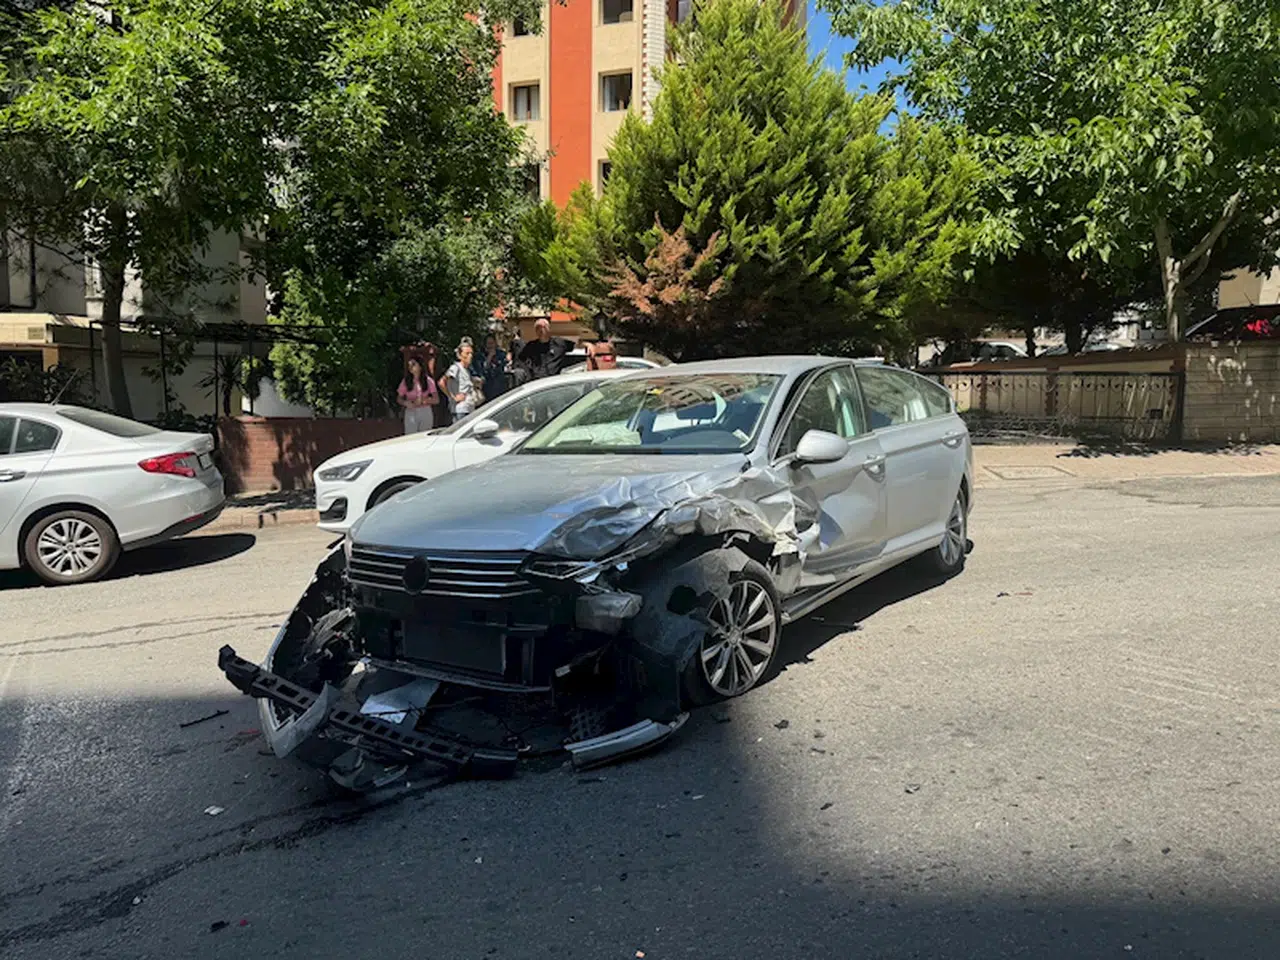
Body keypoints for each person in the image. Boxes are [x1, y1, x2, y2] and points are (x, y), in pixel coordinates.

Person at [515, 318, 573, 382]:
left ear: (549, 328)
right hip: (536, 381)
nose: (541, 330)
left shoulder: (560, 343)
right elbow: (521, 359)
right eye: (538, 328)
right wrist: (529, 373)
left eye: (544, 327)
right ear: (535, 331)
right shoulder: (531, 346)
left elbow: (578, 346)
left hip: (555, 381)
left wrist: (586, 345)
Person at [397, 355, 438, 434]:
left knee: (424, 435)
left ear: (420, 366)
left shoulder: (428, 381)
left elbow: (436, 399)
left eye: (413, 364)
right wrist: (405, 403)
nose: (411, 367)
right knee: (410, 435)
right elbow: (399, 398)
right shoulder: (406, 381)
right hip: (411, 411)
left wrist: (424, 400)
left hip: (425, 411)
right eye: (409, 365)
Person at [442, 340, 479, 420]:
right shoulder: (456, 368)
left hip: (469, 408)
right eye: (467, 353)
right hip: (460, 410)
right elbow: (442, 382)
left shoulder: (467, 370)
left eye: (471, 353)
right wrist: (452, 397)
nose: (470, 356)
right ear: (460, 355)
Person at [472, 333, 509, 401]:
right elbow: (482, 370)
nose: (491, 346)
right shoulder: (480, 356)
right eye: (488, 343)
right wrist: (490, 356)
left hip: (500, 386)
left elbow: (505, 367)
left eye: (492, 343)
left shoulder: (501, 354)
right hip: (487, 387)